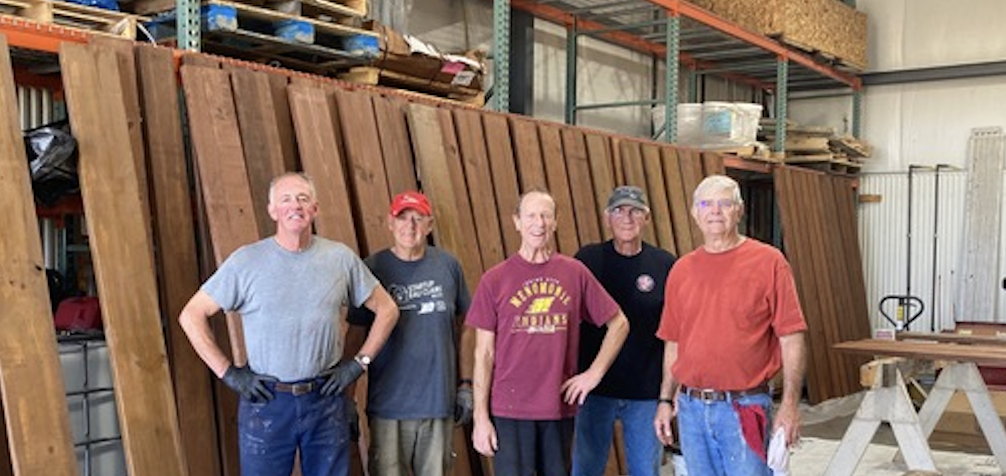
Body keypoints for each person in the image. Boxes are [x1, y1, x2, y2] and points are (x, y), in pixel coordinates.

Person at [178, 172, 400, 476]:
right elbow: (191, 315)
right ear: (272, 210)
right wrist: (227, 373)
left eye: (303, 199)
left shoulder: (340, 259)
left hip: (325, 399)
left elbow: (388, 309)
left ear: (315, 209)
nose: (295, 206)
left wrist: (359, 363)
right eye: (285, 199)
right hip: (267, 401)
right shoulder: (246, 262)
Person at [467, 189, 631, 476]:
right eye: (531, 215)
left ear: (555, 222)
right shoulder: (494, 280)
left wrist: (594, 374)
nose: (538, 223)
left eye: (545, 216)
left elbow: (619, 323)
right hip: (509, 408)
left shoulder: (574, 273)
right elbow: (484, 353)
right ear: (516, 221)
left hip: (557, 406)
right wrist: (481, 417)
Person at [653, 174, 807, 476]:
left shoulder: (769, 262)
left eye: (724, 203)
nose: (715, 211)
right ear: (695, 213)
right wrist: (665, 400)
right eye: (706, 204)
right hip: (691, 409)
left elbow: (792, 337)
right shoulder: (681, 270)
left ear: (740, 210)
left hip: (745, 407)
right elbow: (674, 341)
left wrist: (790, 405)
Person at [345, 191, 473, 476]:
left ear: (429, 225)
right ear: (390, 223)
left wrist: (466, 384)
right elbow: (355, 336)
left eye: (418, 219)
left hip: (437, 404)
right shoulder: (372, 269)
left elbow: (466, 327)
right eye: (403, 218)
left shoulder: (448, 267)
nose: (410, 226)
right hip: (388, 408)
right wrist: (347, 397)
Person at [572, 186, 676, 476]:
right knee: (586, 469)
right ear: (607, 218)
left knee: (645, 470)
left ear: (647, 218)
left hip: (645, 393)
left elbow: (674, 334)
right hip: (595, 391)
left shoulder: (665, 264)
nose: (626, 217)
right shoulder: (587, 261)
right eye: (619, 210)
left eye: (635, 210)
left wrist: (669, 395)